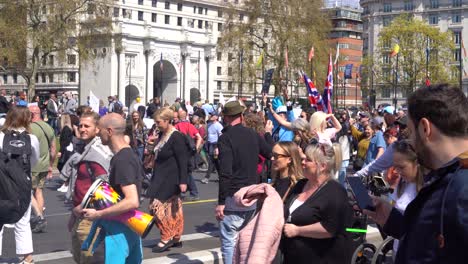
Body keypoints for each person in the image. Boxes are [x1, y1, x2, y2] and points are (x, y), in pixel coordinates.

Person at [365, 84, 468, 263]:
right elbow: (431, 239)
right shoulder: (445, 177)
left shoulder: (461, 188)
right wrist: (391, 219)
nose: (411, 141)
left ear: (425, 128)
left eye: (411, 132)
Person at [82, 113, 143, 264]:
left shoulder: (122, 160)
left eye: (100, 129)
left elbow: (132, 201)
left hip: (117, 233)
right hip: (130, 228)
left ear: (109, 131)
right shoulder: (128, 155)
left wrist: (98, 214)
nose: (97, 132)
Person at [215, 101, 272, 264]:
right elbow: (270, 153)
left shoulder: (225, 138)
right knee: (246, 239)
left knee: (229, 241)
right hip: (252, 193)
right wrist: (267, 134)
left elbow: (225, 172)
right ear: (241, 116)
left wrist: (221, 202)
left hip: (234, 194)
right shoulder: (253, 134)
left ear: (225, 118)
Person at [281, 143, 353, 263]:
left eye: (308, 160)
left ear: (322, 166)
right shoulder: (301, 184)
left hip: (321, 258)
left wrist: (297, 230)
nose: (302, 162)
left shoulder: (335, 192)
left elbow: (330, 228)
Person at [66, 111, 113, 264]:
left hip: (91, 219)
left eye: (87, 126)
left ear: (97, 129)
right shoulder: (86, 150)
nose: (82, 129)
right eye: (80, 126)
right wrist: (74, 215)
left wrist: (81, 208)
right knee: (80, 259)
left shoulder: (97, 154)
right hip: (80, 216)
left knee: (89, 260)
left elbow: (105, 188)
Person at [0, 106, 40, 264]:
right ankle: (27, 258)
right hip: (23, 183)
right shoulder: (32, 139)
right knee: (23, 221)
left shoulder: (1, 136)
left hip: (2, 184)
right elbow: (34, 161)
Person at [146, 108, 188, 252]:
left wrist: (183, 181)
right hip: (160, 176)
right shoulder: (163, 134)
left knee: (156, 206)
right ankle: (175, 237)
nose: (156, 125)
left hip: (171, 178)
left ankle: (166, 237)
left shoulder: (176, 137)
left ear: (167, 120)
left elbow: (183, 160)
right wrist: (151, 146)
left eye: (158, 122)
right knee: (172, 208)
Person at [388, 139, 423, 258]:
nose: (397, 171)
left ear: (417, 163)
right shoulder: (402, 184)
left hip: (415, 253)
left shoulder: (426, 190)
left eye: (401, 167)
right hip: (398, 248)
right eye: (395, 167)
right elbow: (393, 206)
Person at [28, 105, 56, 233]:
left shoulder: (30, 128)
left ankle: (38, 217)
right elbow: (53, 150)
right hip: (44, 165)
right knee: (38, 191)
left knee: (29, 192)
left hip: (33, 164)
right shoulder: (48, 127)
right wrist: (50, 165)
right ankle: (39, 217)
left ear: (31, 114)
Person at [174, 108, 202, 201]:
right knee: (186, 172)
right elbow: (199, 138)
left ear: (178, 116)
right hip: (190, 152)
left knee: (185, 173)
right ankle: (186, 191)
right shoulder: (190, 125)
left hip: (181, 152)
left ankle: (193, 192)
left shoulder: (177, 126)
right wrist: (196, 149)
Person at [201, 111, 223, 184]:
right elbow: (208, 135)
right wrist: (205, 143)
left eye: (212, 115)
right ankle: (221, 177)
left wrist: (217, 147)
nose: (210, 116)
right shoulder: (209, 124)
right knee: (215, 162)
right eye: (210, 115)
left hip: (216, 145)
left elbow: (221, 137)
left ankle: (207, 177)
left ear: (216, 117)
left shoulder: (219, 126)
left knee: (211, 161)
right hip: (210, 144)